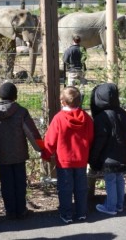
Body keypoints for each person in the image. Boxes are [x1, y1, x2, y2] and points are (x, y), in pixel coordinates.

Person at [0, 82, 44, 220]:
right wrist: (41, 148)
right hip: (19, 155)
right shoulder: (21, 111)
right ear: (16, 96)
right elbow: (31, 132)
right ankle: (21, 210)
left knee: (6, 184)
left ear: (0, 95)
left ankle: (10, 211)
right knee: (20, 183)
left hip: (2, 155)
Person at [41, 86, 94, 224]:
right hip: (81, 159)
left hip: (64, 161)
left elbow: (50, 139)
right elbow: (90, 137)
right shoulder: (86, 118)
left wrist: (46, 154)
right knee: (81, 187)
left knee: (65, 188)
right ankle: (81, 212)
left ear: (62, 101)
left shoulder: (58, 118)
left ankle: (66, 214)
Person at [89, 83, 126, 216]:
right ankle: (119, 204)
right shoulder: (122, 112)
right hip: (123, 154)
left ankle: (110, 206)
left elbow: (99, 141)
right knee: (119, 178)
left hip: (108, 158)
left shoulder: (101, 117)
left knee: (110, 180)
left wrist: (93, 158)